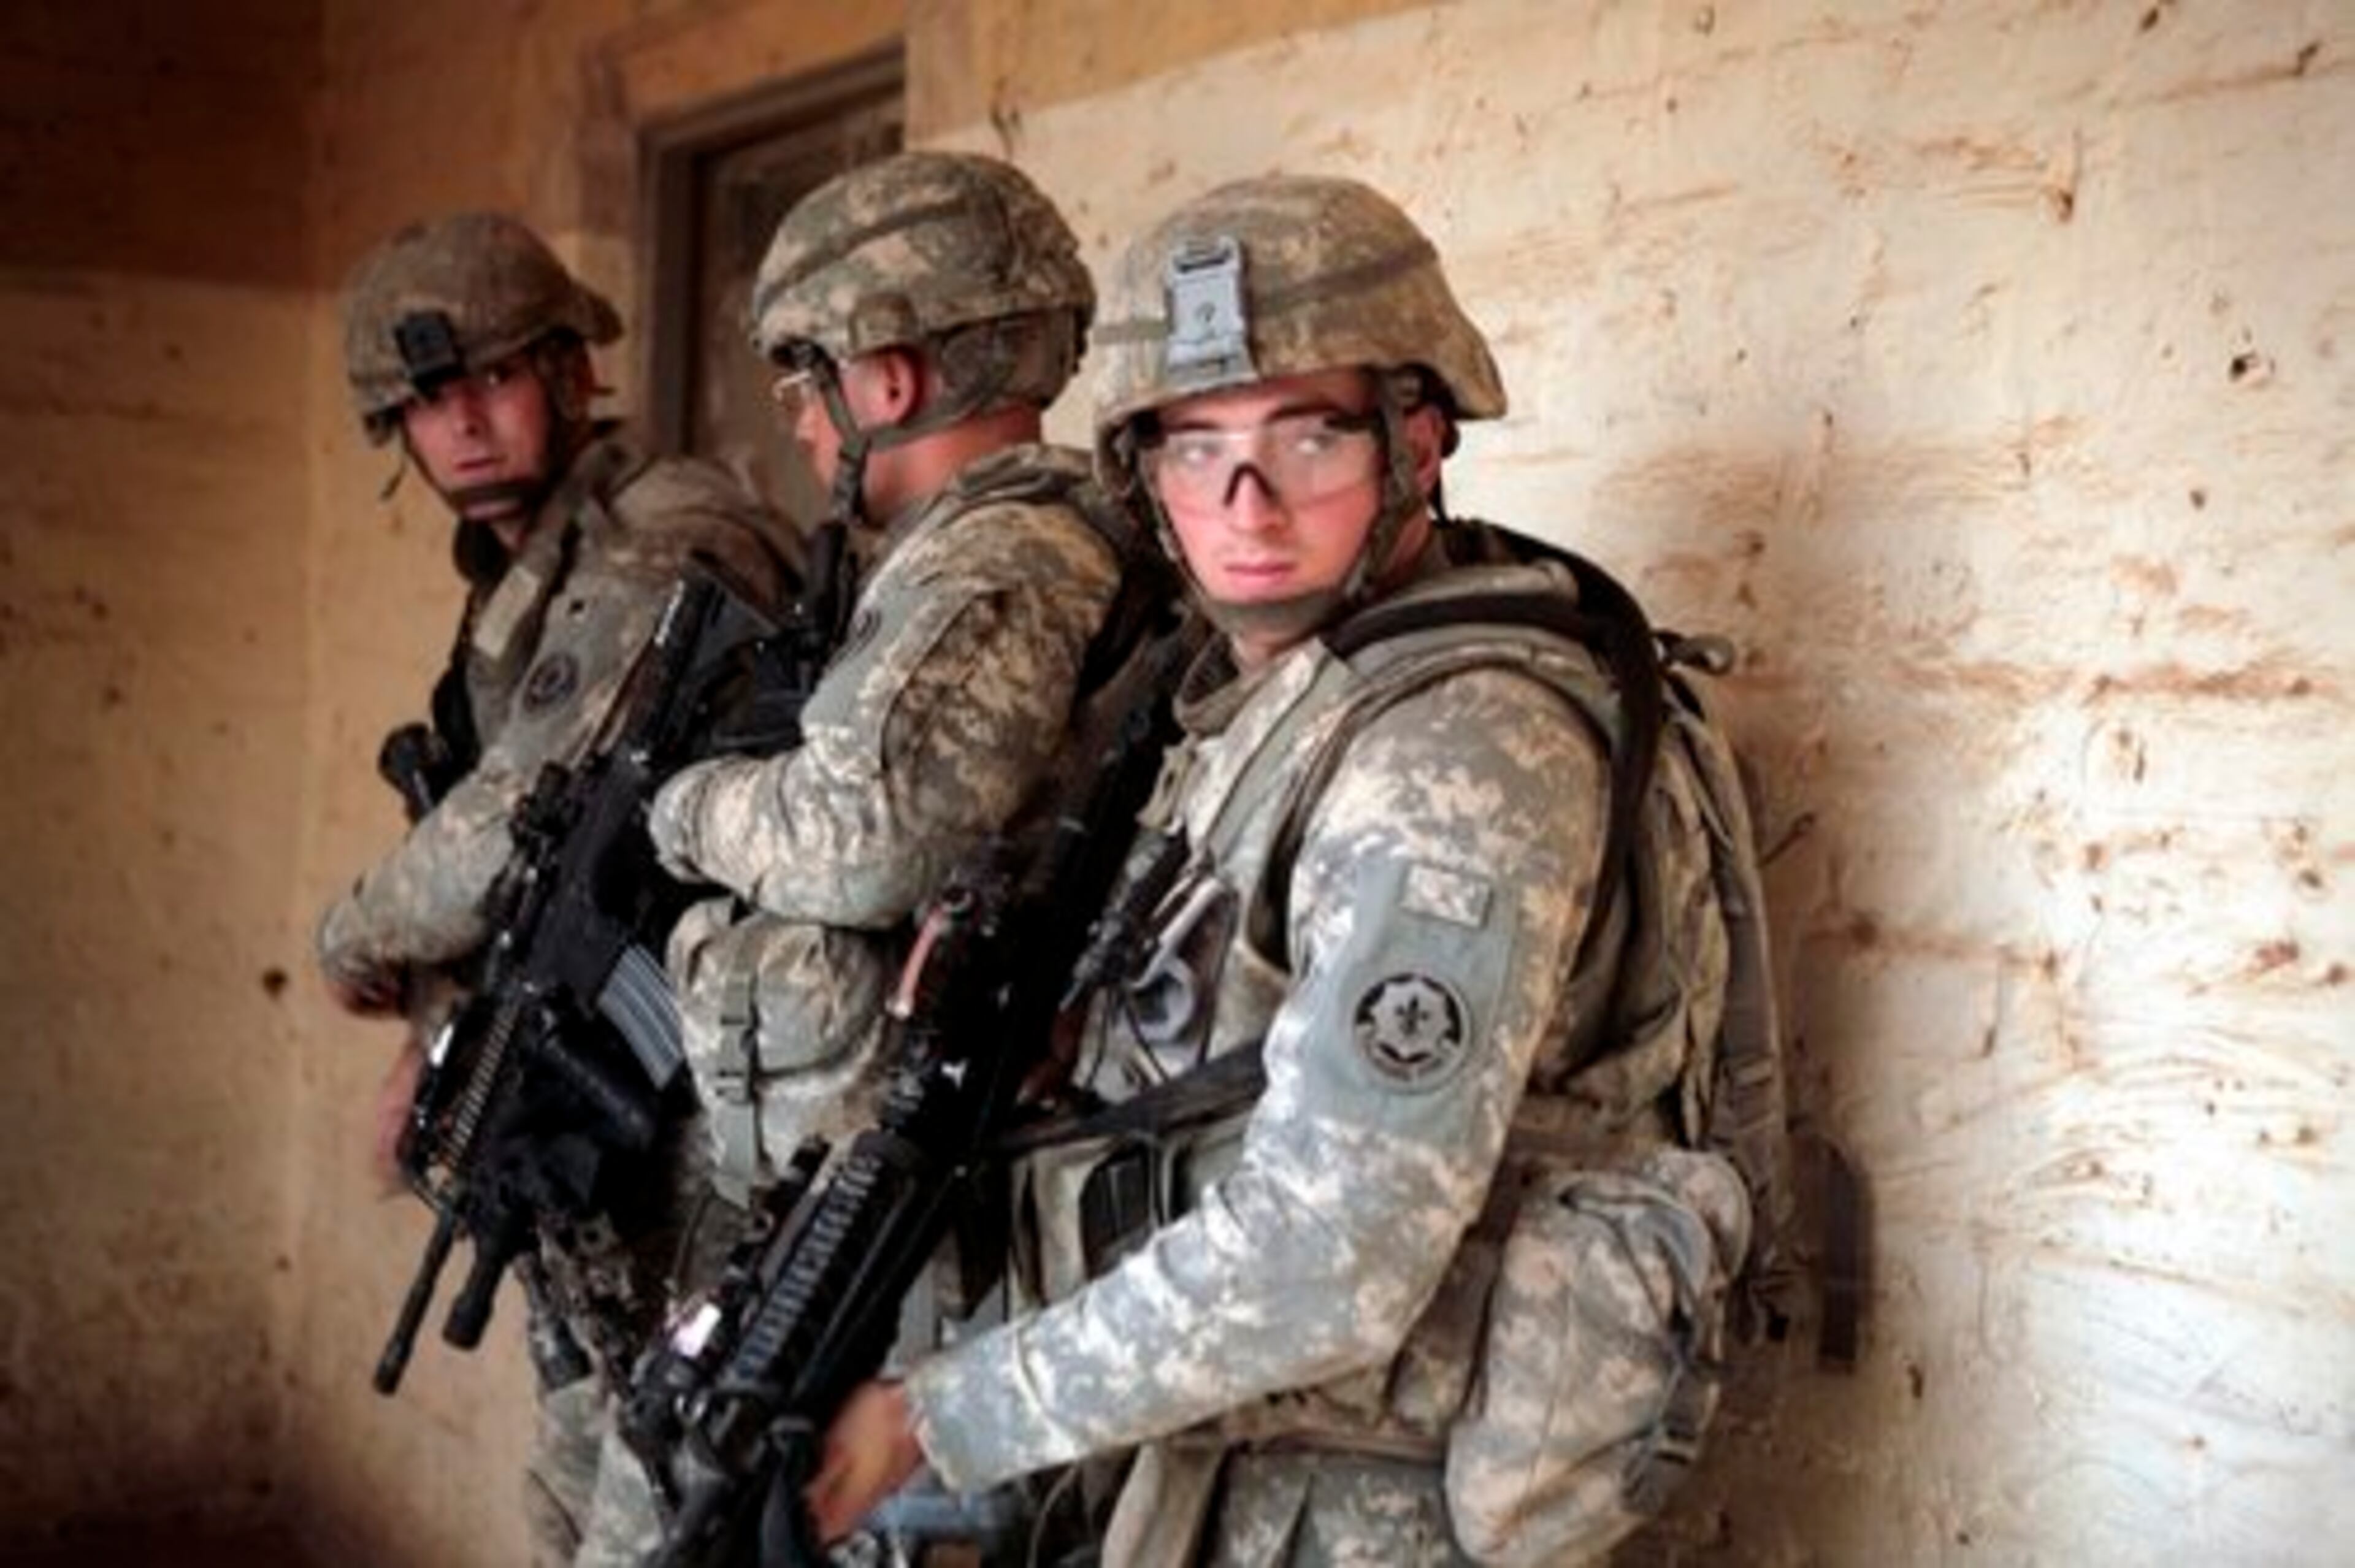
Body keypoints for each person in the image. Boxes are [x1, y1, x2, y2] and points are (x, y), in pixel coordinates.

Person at [805, 174, 1775, 1566]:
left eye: (1307, 437)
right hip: (1231, 1456)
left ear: (1418, 441)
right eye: (1194, 449)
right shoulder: (1275, 696)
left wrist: (937, 1416)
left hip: (1370, 1495)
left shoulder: (1461, 752)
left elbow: (1339, 1247)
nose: (1245, 503)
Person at [638, 150, 1168, 1558]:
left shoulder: (1004, 558)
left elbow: (861, 835)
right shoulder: (951, 558)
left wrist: (683, 809)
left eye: (805, 391)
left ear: (885, 381)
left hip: (954, 1220)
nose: (804, 435)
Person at [313, 210, 795, 1567]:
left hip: (691, 1119)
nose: (461, 422)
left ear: (576, 372)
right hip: (575, 1105)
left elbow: (518, 812)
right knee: (572, 1485)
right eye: (424, 398)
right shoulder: (528, 577)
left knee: (670, 1509)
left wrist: (357, 930)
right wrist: (433, 1034)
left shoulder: (664, 540)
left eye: (495, 377)